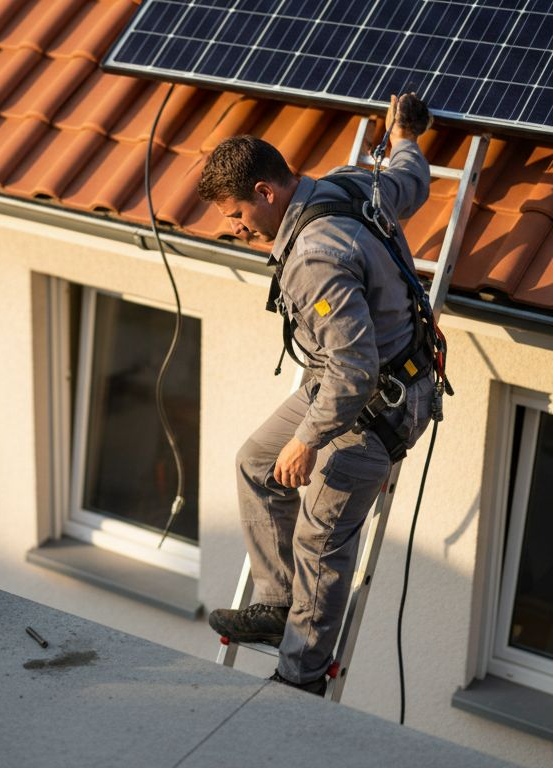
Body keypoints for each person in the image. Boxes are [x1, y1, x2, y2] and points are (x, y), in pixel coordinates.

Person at [197, 94, 435, 695]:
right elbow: (408, 182)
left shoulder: (312, 258)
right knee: (256, 463)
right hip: (341, 380)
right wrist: (406, 137)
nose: (235, 228)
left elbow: (355, 370)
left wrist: (307, 441)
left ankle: (297, 681)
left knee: (319, 536)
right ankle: (278, 605)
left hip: (381, 403)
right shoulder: (349, 182)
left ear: (265, 192)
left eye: (236, 214)